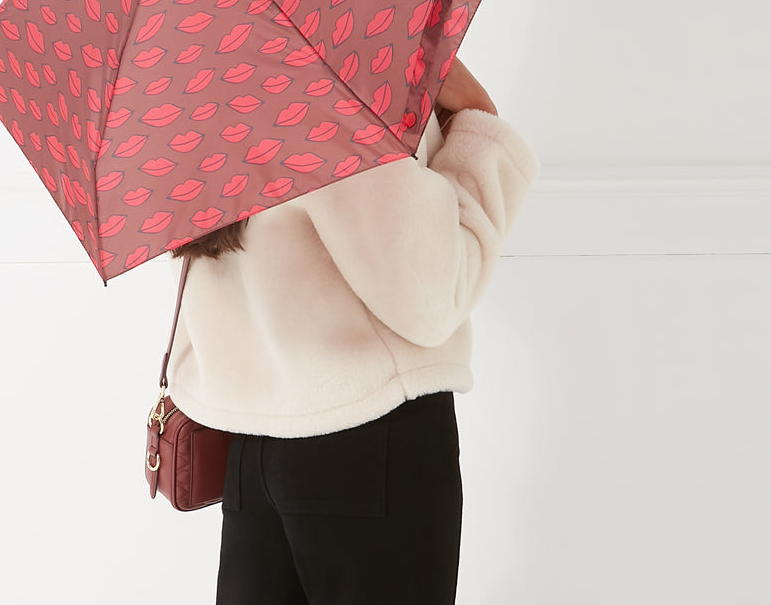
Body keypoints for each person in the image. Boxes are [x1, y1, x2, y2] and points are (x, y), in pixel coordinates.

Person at [166, 57, 540, 604]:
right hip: (370, 439)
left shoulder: (209, 92)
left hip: (254, 450)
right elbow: (433, 297)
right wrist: (478, 122)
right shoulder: (338, 85)